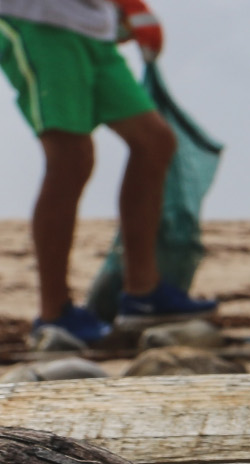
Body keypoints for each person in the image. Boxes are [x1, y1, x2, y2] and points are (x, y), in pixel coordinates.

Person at [0, 0, 215, 346]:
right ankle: (54, 314)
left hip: (93, 28)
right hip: (35, 20)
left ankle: (143, 293)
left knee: (155, 142)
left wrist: (127, 6)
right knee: (71, 158)